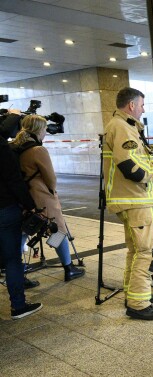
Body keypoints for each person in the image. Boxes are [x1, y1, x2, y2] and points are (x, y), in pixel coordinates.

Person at [103, 87, 153, 320]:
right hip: (135, 199)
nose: (144, 109)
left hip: (131, 198)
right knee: (148, 251)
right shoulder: (123, 128)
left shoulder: (122, 126)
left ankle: (135, 293)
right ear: (132, 105)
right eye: (142, 105)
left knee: (136, 250)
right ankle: (137, 303)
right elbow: (133, 169)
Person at [11, 115, 85, 282]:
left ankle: (17, 272)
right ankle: (68, 267)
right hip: (43, 197)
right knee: (58, 231)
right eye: (45, 129)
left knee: (23, 232)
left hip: (24, 198)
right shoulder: (38, 150)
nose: (46, 132)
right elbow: (51, 178)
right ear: (39, 130)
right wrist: (51, 191)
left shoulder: (15, 147)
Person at [0, 134, 42, 319]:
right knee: (12, 259)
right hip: (5, 208)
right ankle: (18, 305)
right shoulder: (1, 147)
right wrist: (29, 204)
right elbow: (13, 179)